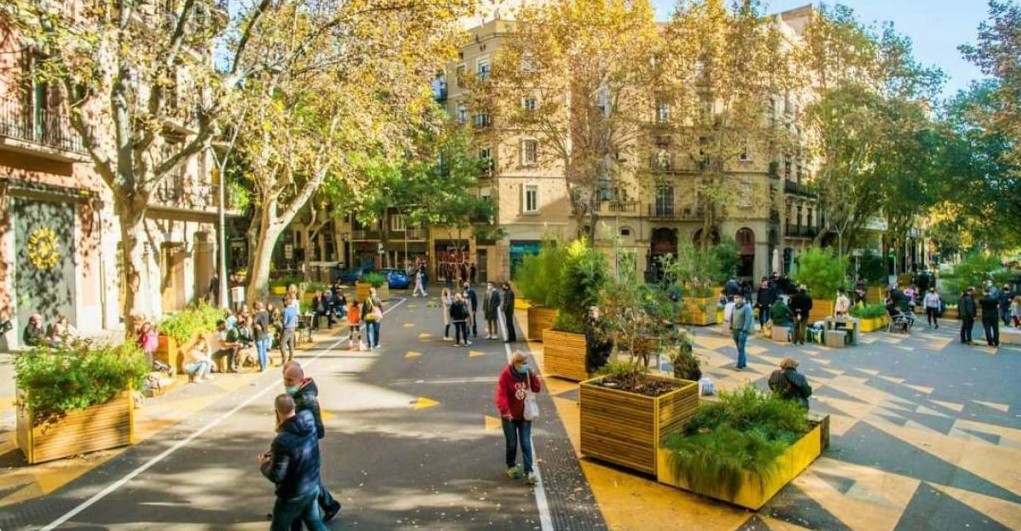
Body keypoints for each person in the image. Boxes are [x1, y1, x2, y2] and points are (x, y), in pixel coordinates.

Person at [283, 362, 342, 522]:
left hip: (305, 446)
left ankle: (327, 506)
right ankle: (327, 505)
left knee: (305, 479)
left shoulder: (307, 400)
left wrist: (297, 434)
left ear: (301, 380)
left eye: (290, 381)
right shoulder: (298, 395)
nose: (286, 384)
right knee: (304, 479)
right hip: (299, 444)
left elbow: (318, 429)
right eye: (285, 379)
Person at [259, 394, 328, 531]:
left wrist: (264, 464)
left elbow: (276, 475)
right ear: (294, 407)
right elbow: (299, 449)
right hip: (312, 486)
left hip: (292, 495)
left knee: (279, 527)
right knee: (315, 524)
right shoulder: (309, 422)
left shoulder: (281, 440)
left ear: (277, 411)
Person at [494, 351, 542, 485]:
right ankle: (511, 465)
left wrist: (533, 376)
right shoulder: (505, 376)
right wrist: (505, 411)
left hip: (524, 414)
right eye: (523, 363)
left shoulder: (527, 373)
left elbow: (537, 389)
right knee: (512, 443)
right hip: (509, 416)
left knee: (526, 442)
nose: (526, 365)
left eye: (527, 363)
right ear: (515, 364)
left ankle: (529, 471)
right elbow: (501, 395)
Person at [728, 292, 754, 370]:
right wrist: (731, 327)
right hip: (734, 330)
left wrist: (744, 330)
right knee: (739, 349)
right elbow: (731, 317)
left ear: (742, 298)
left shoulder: (746, 308)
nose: (735, 299)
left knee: (741, 348)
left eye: (737, 297)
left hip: (742, 331)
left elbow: (748, 320)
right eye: (734, 297)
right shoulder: (734, 307)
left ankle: (739, 365)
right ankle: (743, 362)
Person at [585, 306, 612, 374]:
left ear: (598, 313)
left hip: (601, 356)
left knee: (601, 376)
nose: (591, 315)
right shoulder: (588, 325)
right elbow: (587, 338)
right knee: (590, 377)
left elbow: (610, 340)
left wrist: (606, 354)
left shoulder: (604, 324)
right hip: (590, 356)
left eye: (592, 312)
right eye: (589, 312)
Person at [252, 301, 272, 371]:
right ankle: (265, 365)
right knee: (264, 350)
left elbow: (254, 322)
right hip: (265, 333)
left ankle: (262, 367)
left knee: (260, 350)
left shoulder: (258, 314)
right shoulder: (266, 313)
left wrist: (256, 325)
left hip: (259, 334)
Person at [280, 296, 299, 363]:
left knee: (282, 343)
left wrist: (282, 322)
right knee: (291, 343)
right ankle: (291, 357)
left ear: (285, 302)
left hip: (287, 328)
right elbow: (296, 318)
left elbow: (285, 321)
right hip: (293, 327)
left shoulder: (286, 310)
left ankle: (284, 358)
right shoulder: (294, 309)